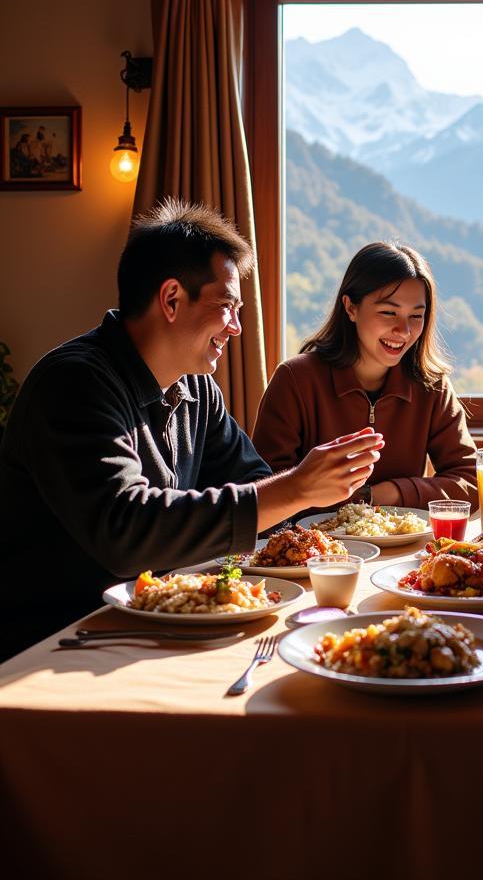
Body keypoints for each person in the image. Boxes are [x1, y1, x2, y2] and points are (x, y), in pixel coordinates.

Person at [0, 200, 384, 660]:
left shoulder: (196, 390)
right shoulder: (74, 383)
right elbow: (126, 531)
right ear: (171, 299)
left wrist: (332, 505)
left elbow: (254, 486)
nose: (238, 328)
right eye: (227, 306)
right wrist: (297, 488)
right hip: (54, 644)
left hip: (155, 624)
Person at [252, 241, 477, 510]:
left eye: (416, 316)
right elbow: (263, 493)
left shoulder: (432, 386)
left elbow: (471, 484)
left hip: (404, 550)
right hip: (316, 549)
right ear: (350, 307)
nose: (403, 330)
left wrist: (383, 494)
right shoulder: (295, 379)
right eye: (388, 312)